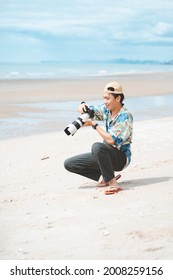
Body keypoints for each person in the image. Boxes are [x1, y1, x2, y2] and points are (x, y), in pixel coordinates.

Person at [64, 81, 133, 195]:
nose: (105, 102)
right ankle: (106, 175)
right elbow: (87, 110)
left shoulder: (125, 116)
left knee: (97, 147)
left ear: (118, 98)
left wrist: (94, 125)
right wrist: (82, 106)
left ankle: (113, 183)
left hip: (121, 158)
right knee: (69, 164)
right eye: (104, 98)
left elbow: (111, 140)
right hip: (105, 155)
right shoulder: (106, 110)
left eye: (107, 98)